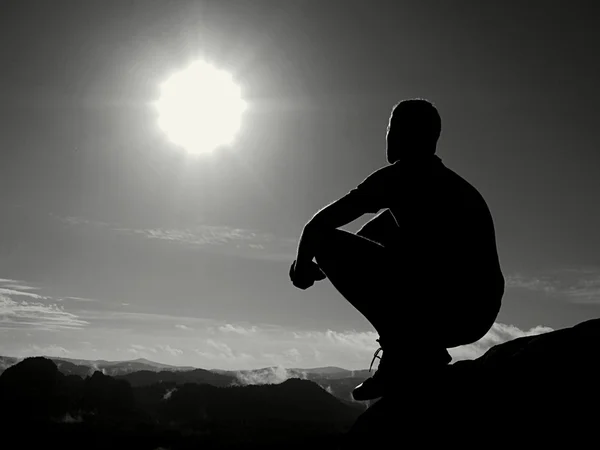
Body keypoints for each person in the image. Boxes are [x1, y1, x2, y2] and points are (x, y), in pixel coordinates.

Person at [289, 98, 505, 401]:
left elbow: (317, 229)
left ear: (404, 134)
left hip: (450, 308)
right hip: (478, 313)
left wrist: (302, 268)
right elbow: (366, 241)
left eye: (391, 129)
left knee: (325, 241)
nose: (387, 137)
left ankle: (402, 355)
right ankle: (420, 351)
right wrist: (324, 268)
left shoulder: (401, 177)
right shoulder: (447, 185)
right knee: (376, 243)